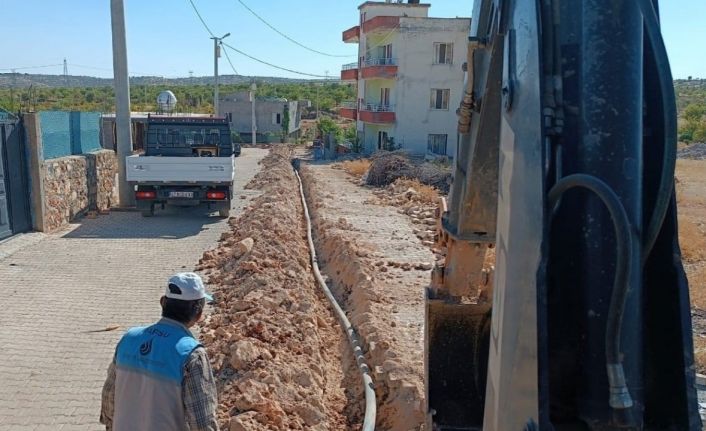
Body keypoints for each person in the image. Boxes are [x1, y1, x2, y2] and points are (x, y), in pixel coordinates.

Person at [100, 272, 219, 431]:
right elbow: (202, 422)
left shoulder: (129, 339)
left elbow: (109, 398)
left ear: (163, 302)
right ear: (199, 314)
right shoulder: (192, 355)